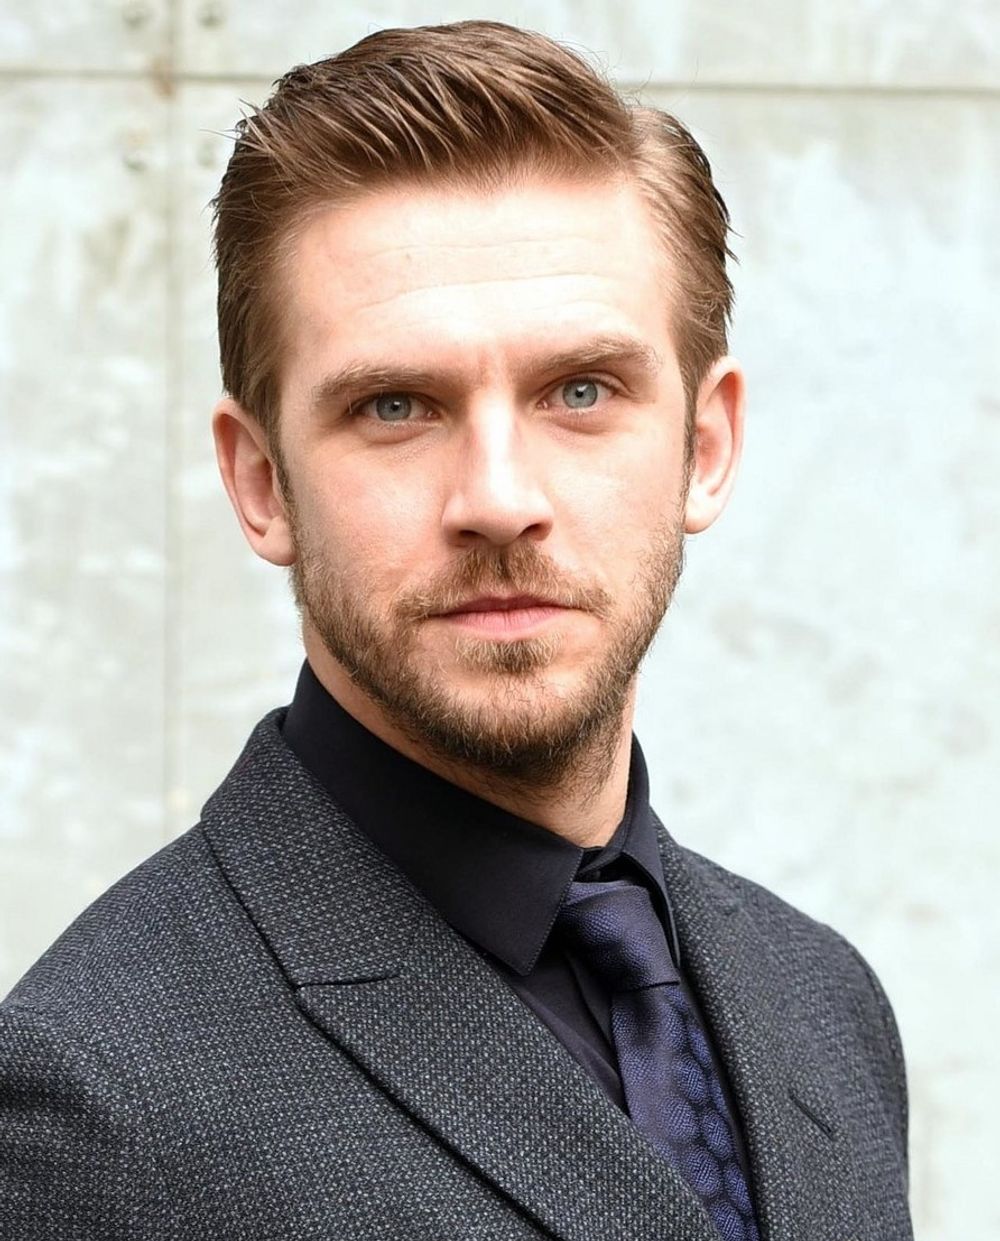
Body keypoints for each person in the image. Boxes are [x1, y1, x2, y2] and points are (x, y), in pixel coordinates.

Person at [0, 20, 912, 1241]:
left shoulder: (824, 1001)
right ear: (261, 481)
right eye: (395, 404)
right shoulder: (96, 1094)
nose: (497, 496)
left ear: (705, 445)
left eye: (579, 390)